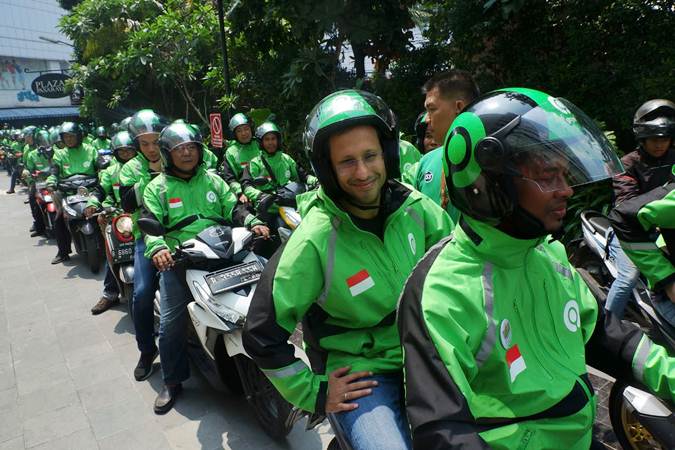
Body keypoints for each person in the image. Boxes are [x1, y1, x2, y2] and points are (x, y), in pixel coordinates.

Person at [397, 88, 675, 449]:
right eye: (548, 176)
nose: (567, 191)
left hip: (578, 437)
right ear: (489, 185)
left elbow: (609, 337)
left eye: (564, 174)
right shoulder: (441, 288)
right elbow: (443, 431)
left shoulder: (548, 255)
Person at [243, 90, 454, 450]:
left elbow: (459, 278)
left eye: (370, 156)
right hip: (364, 373)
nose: (362, 172)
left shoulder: (419, 210)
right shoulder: (314, 239)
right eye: (346, 162)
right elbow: (261, 333)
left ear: (387, 154)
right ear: (327, 170)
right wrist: (315, 392)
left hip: (430, 356)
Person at [141, 122, 269, 414]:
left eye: (191, 148)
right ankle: (172, 380)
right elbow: (149, 226)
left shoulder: (214, 181)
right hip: (181, 261)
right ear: (167, 153)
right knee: (171, 323)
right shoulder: (156, 188)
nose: (187, 154)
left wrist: (253, 222)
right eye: (179, 149)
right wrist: (158, 248)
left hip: (224, 251)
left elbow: (234, 208)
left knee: (267, 294)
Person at [605, 99, 675, 321]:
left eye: (664, 138)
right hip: (629, 229)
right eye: (653, 138)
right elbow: (625, 207)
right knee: (629, 276)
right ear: (642, 138)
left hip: (663, 227)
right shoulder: (626, 164)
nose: (659, 144)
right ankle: (607, 326)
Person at [119, 109, 166, 382]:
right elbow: (127, 202)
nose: (151, 148)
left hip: (181, 232)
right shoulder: (130, 168)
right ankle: (147, 350)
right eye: (144, 143)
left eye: (156, 142)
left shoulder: (176, 156)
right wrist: (150, 174)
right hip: (146, 236)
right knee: (143, 291)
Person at [413, 70, 480, 223]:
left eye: (432, 109)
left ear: (459, 107)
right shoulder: (426, 162)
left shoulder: (493, 159)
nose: (427, 120)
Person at [86, 131, 137, 315]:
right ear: (115, 153)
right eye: (121, 152)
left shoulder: (142, 167)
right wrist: (93, 204)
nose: (126, 154)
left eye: (129, 150)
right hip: (118, 217)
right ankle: (110, 293)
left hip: (142, 216)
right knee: (114, 253)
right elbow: (100, 190)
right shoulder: (110, 171)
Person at [240, 121, 317, 219]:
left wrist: (316, 181)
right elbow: (246, 186)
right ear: (261, 142)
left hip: (291, 203)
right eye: (267, 139)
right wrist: (260, 195)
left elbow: (303, 175)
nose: (271, 142)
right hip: (269, 207)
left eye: (273, 139)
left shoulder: (286, 158)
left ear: (278, 140)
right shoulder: (254, 163)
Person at [46, 122, 98, 264]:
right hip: (68, 193)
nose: (68, 139)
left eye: (71, 136)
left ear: (79, 136)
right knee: (59, 219)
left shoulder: (91, 150)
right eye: (65, 137)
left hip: (91, 191)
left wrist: (105, 167)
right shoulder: (60, 155)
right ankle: (62, 252)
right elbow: (54, 173)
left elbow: (101, 166)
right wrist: (51, 182)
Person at [219, 113, 260, 202]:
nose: (244, 133)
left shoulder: (259, 144)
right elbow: (229, 177)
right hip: (245, 192)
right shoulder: (231, 152)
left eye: (246, 129)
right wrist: (240, 193)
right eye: (239, 131)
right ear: (235, 134)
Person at [25, 129, 53, 237]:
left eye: (46, 141)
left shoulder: (55, 152)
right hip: (39, 182)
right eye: (42, 141)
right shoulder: (32, 154)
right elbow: (29, 169)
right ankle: (39, 227)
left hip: (54, 181)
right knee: (33, 200)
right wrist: (30, 178)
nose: (44, 144)